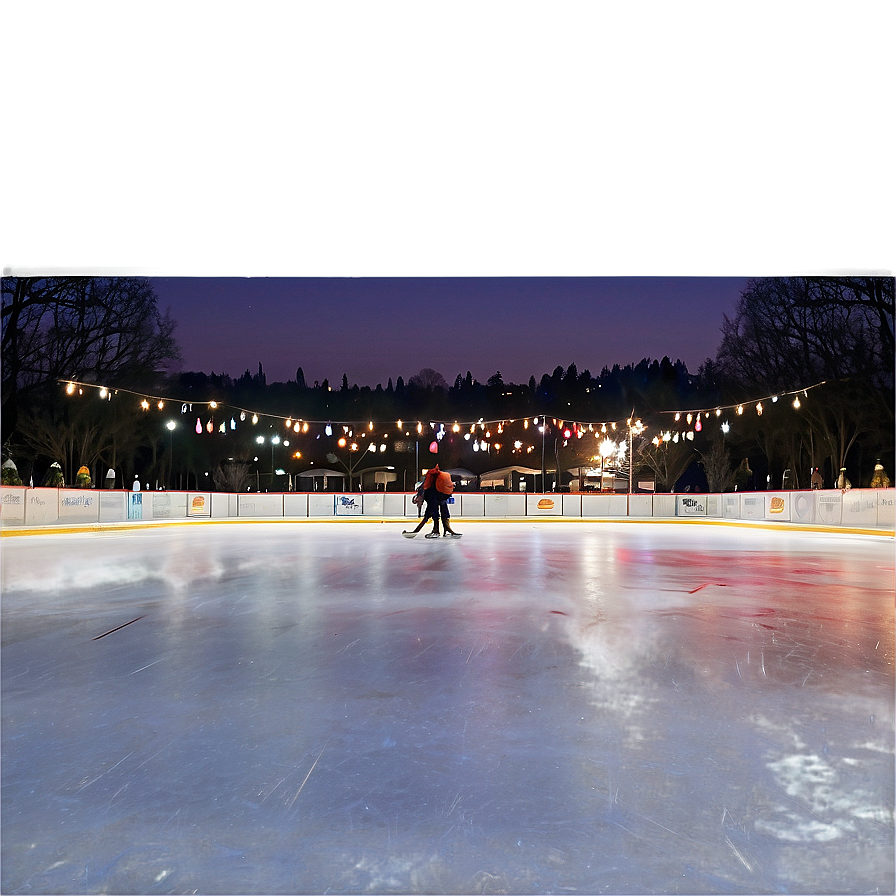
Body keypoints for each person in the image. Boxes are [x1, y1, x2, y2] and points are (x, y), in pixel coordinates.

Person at [402, 464, 462, 538]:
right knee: (443, 512)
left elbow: (432, 508)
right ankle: (447, 531)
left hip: (438, 496)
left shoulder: (427, 493)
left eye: (418, 502)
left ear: (419, 497)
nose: (418, 504)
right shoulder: (431, 486)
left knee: (435, 513)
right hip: (442, 495)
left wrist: (426, 516)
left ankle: (436, 531)